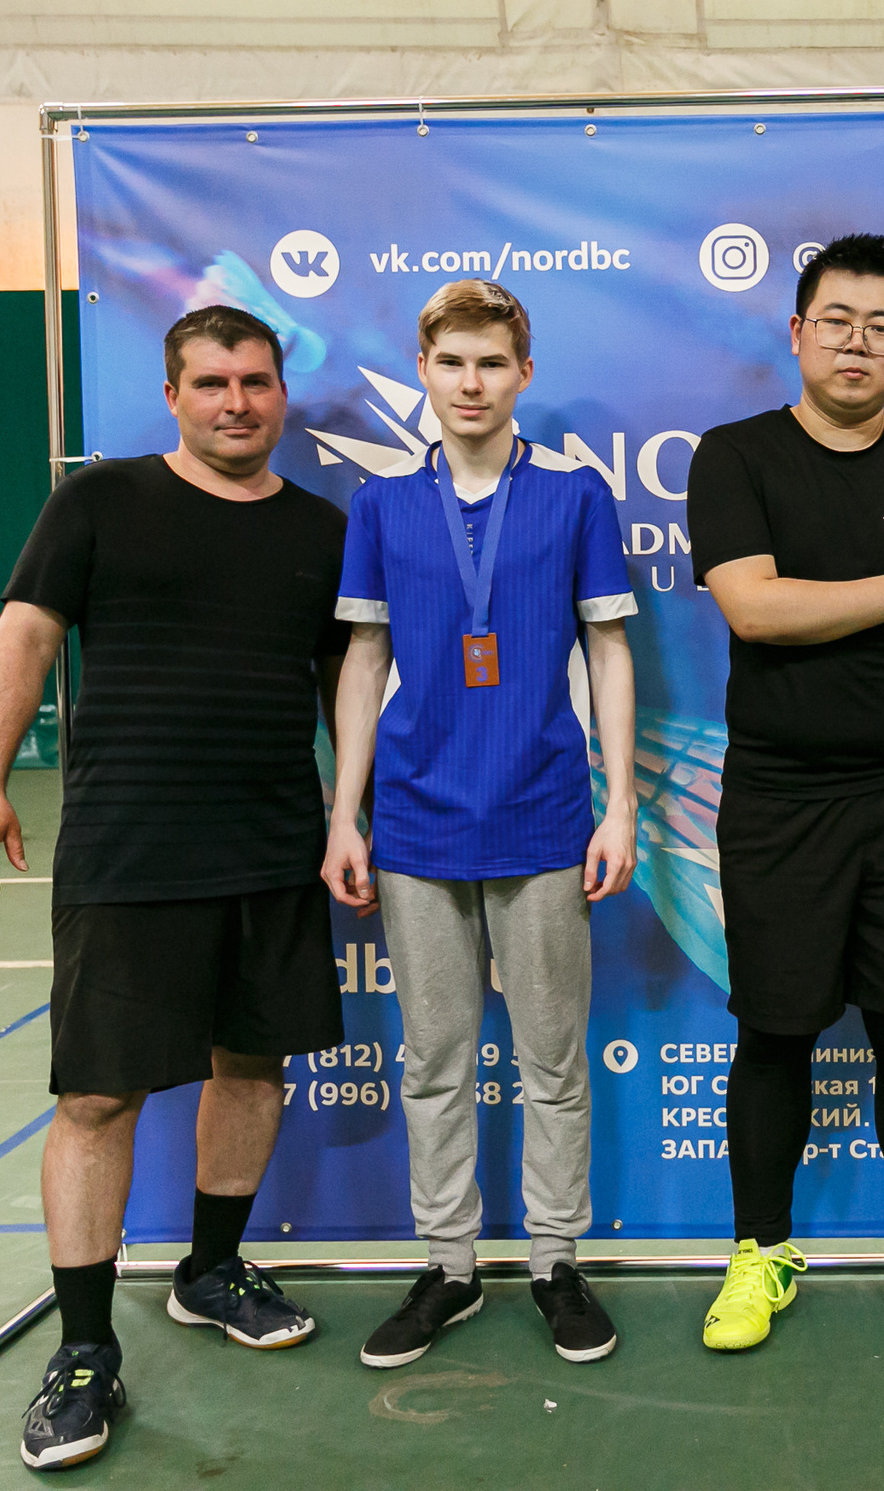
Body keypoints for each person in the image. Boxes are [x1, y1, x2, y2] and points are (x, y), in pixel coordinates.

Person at [0, 306, 349, 1472]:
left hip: (273, 851)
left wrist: (350, 821)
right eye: (213, 382)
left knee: (252, 1065)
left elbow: (345, 694)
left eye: (258, 382)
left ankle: (209, 1270)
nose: (238, 401)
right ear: (172, 394)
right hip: (130, 853)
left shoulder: (324, 530)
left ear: (283, 396)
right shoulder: (100, 502)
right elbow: (23, 639)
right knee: (95, 1101)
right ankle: (83, 1352)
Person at [322, 280, 637, 1369]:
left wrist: (621, 803)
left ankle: (555, 1260)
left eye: (491, 364)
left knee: (552, 1058)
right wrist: (344, 818)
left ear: (523, 377)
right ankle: (447, 1267)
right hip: (411, 820)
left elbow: (607, 650)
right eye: (452, 362)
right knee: (434, 1059)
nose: (471, 383)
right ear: (424, 372)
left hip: (547, 812)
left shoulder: (574, 499)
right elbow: (363, 661)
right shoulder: (381, 508)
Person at [685, 234, 884, 1350]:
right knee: (775, 1033)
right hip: (775, 796)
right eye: (838, 321)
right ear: (799, 330)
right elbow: (755, 611)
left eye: (881, 327)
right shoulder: (734, 457)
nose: (858, 343)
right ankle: (757, 1255)